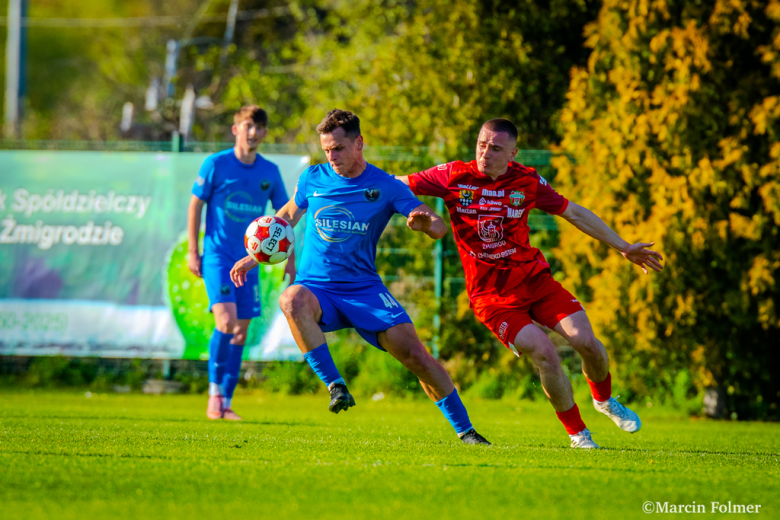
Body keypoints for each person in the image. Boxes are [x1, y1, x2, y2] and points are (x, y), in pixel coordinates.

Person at [396, 118, 664, 449]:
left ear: (512, 153)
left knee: (587, 343)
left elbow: (575, 213)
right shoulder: (452, 175)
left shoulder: (526, 180)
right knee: (545, 352)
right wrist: (415, 212)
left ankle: (605, 400)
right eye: (482, 144)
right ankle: (578, 435)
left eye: (495, 148)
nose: (485, 153)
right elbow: (394, 185)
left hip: (535, 280)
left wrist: (623, 246)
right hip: (492, 297)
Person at [230, 109, 490, 444]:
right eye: (326, 149)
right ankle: (336, 385)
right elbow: (285, 217)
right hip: (317, 288)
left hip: (364, 290)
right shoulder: (313, 179)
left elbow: (436, 224)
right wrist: (254, 256)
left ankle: (466, 431)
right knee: (291, 298)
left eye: (338, 148)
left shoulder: (384, 185)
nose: (332, 156)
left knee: (414, 356)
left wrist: (427, 224)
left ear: (359, 143)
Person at [188, 105, 296, 421]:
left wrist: (289, 261)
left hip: (249, 263)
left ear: (263, 133)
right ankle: (214, 396)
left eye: (260, 128)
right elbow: (195, 206)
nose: (254, 132)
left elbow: (284, 218)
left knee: (240, 333)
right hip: (219, 258)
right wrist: (194, 251)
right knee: (226, 323)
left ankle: (226, 403)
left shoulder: (269, 172)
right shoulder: (216, 164)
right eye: (248, 125)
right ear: (236, 129)